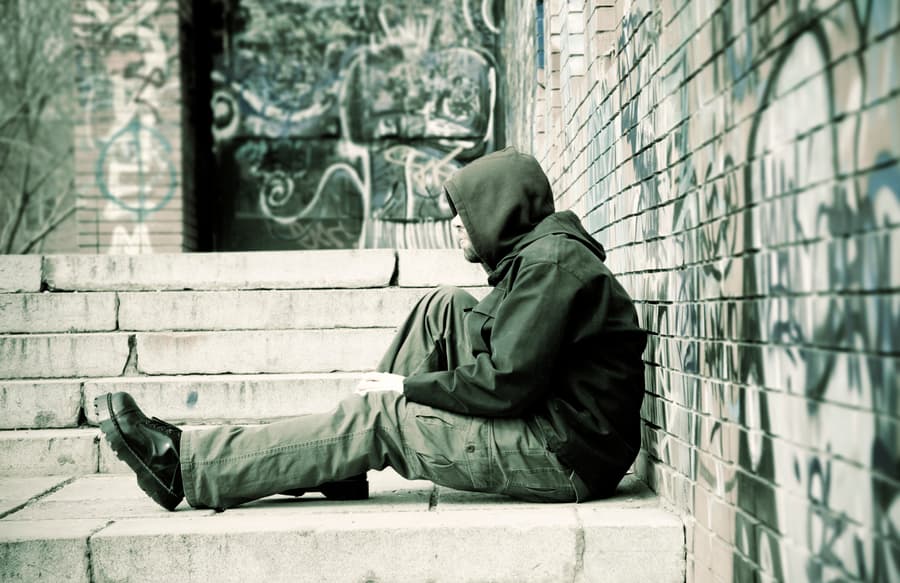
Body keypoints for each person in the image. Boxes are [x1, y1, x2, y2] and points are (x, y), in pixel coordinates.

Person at [97, 147, 647, 511]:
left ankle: (186, 467)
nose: (455, 223)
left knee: (383, 416)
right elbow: (509, 350)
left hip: (562, 457)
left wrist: (407, 388)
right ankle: (339, 459)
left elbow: (507, 383)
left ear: (499, 210)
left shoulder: (550, 265)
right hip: (557, 427)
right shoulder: (542, 256)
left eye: (465, 211)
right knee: (443, 306)